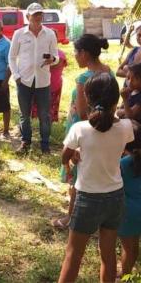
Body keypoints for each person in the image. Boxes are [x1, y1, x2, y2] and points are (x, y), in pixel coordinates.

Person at [58, 73, 134, 283]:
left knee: (73, 255)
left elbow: (65, 156)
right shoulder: (126, 127)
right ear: (115, 100)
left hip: (87, 198)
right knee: (108, 255)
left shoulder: (79, 129)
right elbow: (117, 147)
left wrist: (71, 159)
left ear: (88, 99)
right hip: (115, 197)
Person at [53, 34, 112, 229]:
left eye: (76, 53)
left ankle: (71, 218)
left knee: (77, 179)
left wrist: (78, 144)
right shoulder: (108, 73)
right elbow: (111, 106)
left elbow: (82, 114)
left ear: (84, 53)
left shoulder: (83, 79)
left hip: (82, 134)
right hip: (105, 130)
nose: (75, 57)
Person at [9, 3, 59, 154]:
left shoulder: (49, 34)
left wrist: (53, 59)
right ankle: (26, 142)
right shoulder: (19, 34)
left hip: (43, 81)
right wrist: (16, 76)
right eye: (34, 14)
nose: (38, 17)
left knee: (45, 115)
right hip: (24, 81)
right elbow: (11, 57)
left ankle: (45, 144)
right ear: (27, 16)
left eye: (40, 14)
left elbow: (56, 56)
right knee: (24, 114)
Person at [118, 120, 141, 276]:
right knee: (135, 246)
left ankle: (125, 275)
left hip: (129, 212)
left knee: (129, 247)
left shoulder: (123, 164)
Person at [31, 29, 67, 123]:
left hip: (53, 86)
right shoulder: (41, 53)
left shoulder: (59, 54)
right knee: (39, 111)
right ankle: (41, 129)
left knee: (49, 111)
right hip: (40, 85)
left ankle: (47, 130)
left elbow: (52, 65)